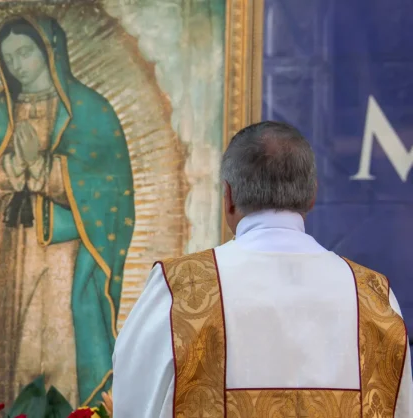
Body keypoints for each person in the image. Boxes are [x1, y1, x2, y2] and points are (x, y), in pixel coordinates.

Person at [112, 121, 412, 417]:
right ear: (312, 195)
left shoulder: (179, 289)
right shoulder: (373, 295)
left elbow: (135, 397)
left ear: (227, 197)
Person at [0, 15, 135, 407]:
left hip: (59, 259)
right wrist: (9, 171)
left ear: (50, 51)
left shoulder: (90, 112)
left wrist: (45, 169)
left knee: (54, 343)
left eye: (24, 53)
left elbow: (109, 193)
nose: (17, 65)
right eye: (8, 57)